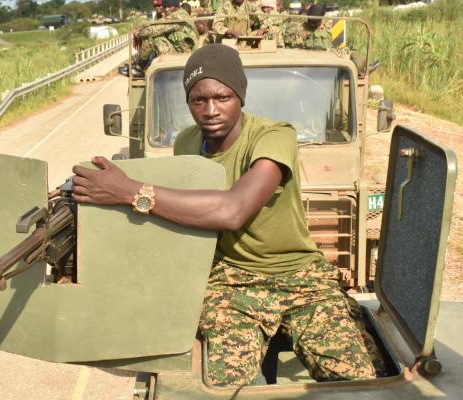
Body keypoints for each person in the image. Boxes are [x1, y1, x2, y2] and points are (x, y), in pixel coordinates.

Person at [71, 44, 386, 386]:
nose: (210, 110)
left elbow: (233, 211)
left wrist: (130, 191)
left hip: (300, 276)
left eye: (222, 97)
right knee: (224, 388)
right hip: (230, 282)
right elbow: (180, 210)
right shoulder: (187, 143)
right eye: (198, 100)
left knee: (361, 381)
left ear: (240, 96)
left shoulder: (274, 136)